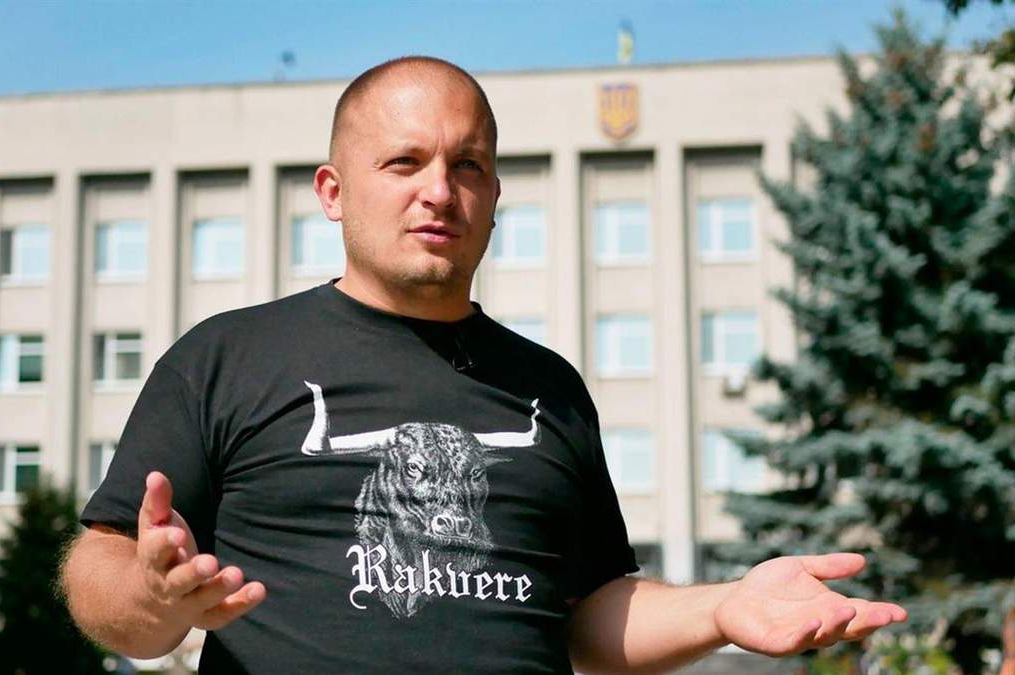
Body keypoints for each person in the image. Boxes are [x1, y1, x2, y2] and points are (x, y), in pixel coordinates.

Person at [60, 56, 907, 673]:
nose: (439, 190)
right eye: (403, 162)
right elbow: (103, 569)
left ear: (495, 196)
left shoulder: (549, 390)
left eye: (467, 165)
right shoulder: (228, 357)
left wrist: (723, 605)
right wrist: (152, 597)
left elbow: (589, 618)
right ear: (332, 192)